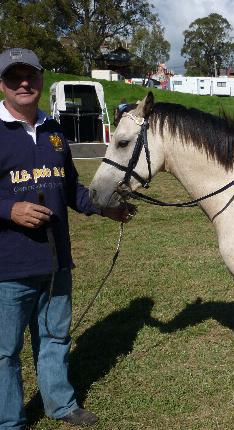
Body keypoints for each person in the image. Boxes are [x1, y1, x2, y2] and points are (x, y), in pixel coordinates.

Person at [0, 48, 132, 429]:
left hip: (57, 260)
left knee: (55, 337)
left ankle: (60, 404)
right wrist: (9, 210)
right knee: (5, 351)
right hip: (8, 266)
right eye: (14, 77)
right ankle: (10, 420)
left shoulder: (55, 131)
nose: (24, 83)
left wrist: (104, 209)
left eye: (31, 75)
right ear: (3, 84)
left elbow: (71, 188)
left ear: (42, 79)